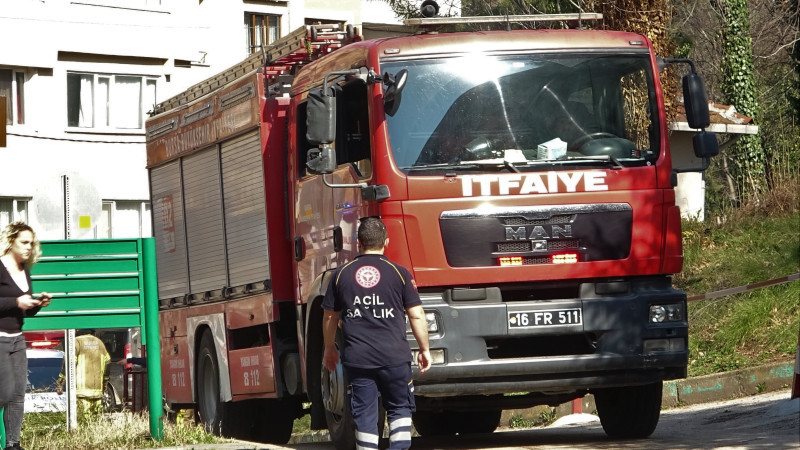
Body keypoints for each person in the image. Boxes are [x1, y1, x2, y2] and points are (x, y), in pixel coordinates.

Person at [322, 217, 431, 450]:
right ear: (386, 242)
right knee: (400, 408)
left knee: (364, 414)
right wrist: (424, 349)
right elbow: (416, 315)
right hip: (395, 358)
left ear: (358, 242)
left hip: (358, 360)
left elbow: (330, 316)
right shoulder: (400, 273)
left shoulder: (340, 275)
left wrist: (329, 348)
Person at [0, 222, 51, 450]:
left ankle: (13, 444)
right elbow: (11, 303)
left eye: (32, 243)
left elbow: (24, 310)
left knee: (18, 393)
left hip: (17, 339)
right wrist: (15, 301)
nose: (29, 247)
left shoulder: (24, 270)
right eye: (24, 242)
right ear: (11, 242)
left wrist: (37, 304)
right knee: (5, 391)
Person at [56, 330, 110, 419]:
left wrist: (60, 383)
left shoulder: (76, 342)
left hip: (81, 393)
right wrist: (105, 383)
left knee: (82, 421)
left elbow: (68, 364)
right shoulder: (100, 343)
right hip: (97, 392)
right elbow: (107, 363)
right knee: (94, 422)